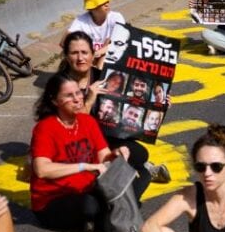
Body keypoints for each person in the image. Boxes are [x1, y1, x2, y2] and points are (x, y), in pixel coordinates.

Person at [27, 75, 151, 232]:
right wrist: (83, 166)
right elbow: (42, 170)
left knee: (143, 174)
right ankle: (111, 213)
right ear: (54, 101)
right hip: (54, 198)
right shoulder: (45, 128)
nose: (77, 99)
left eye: (78, 93)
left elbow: (104, 157)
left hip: (89, 187)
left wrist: (116, 154)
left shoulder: (87, 121)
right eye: (69, 96)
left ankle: (106, 214)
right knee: (89, 205)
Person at [56, 31, 170, 185]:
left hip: (105, 137)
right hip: (76, 144)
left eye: (84, 52)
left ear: (93, 54)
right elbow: (69, 128)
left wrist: (159, 106)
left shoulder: (103, 76)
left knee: (139, 154)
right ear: (67, 56)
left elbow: (129, 113)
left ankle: (134, 168)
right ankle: (120, 171)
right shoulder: (61, 85)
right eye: (74, 53)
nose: (81, 58)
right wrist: (89, 99)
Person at [66, 0, 128, 67]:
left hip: (109, 54)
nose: (107, 4)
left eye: (107, 0)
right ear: (92, 8)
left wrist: (98, 53)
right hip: (88, 56)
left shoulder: (116, 17)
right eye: (102, 2)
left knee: (107, 49)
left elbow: (119, 42)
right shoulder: (81, 21)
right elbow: (64, 42)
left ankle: (99, 76)